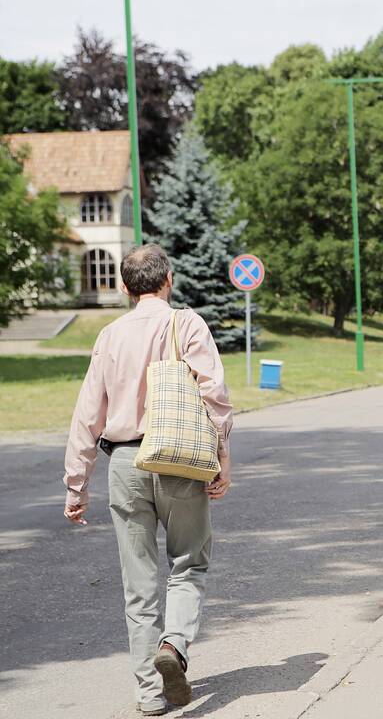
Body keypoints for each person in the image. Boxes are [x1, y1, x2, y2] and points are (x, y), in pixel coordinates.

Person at [62, 244, 233, 716]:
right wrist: (221, 456)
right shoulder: (188, 324)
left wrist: (77, 484)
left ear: (123, 287)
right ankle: (174, 646)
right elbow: (213, 396)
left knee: (137, 586)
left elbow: (87, 414)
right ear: (169, 280)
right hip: (180, 460)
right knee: (189, 565)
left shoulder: (110, 335)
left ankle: (147, 694)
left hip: (124, 463)